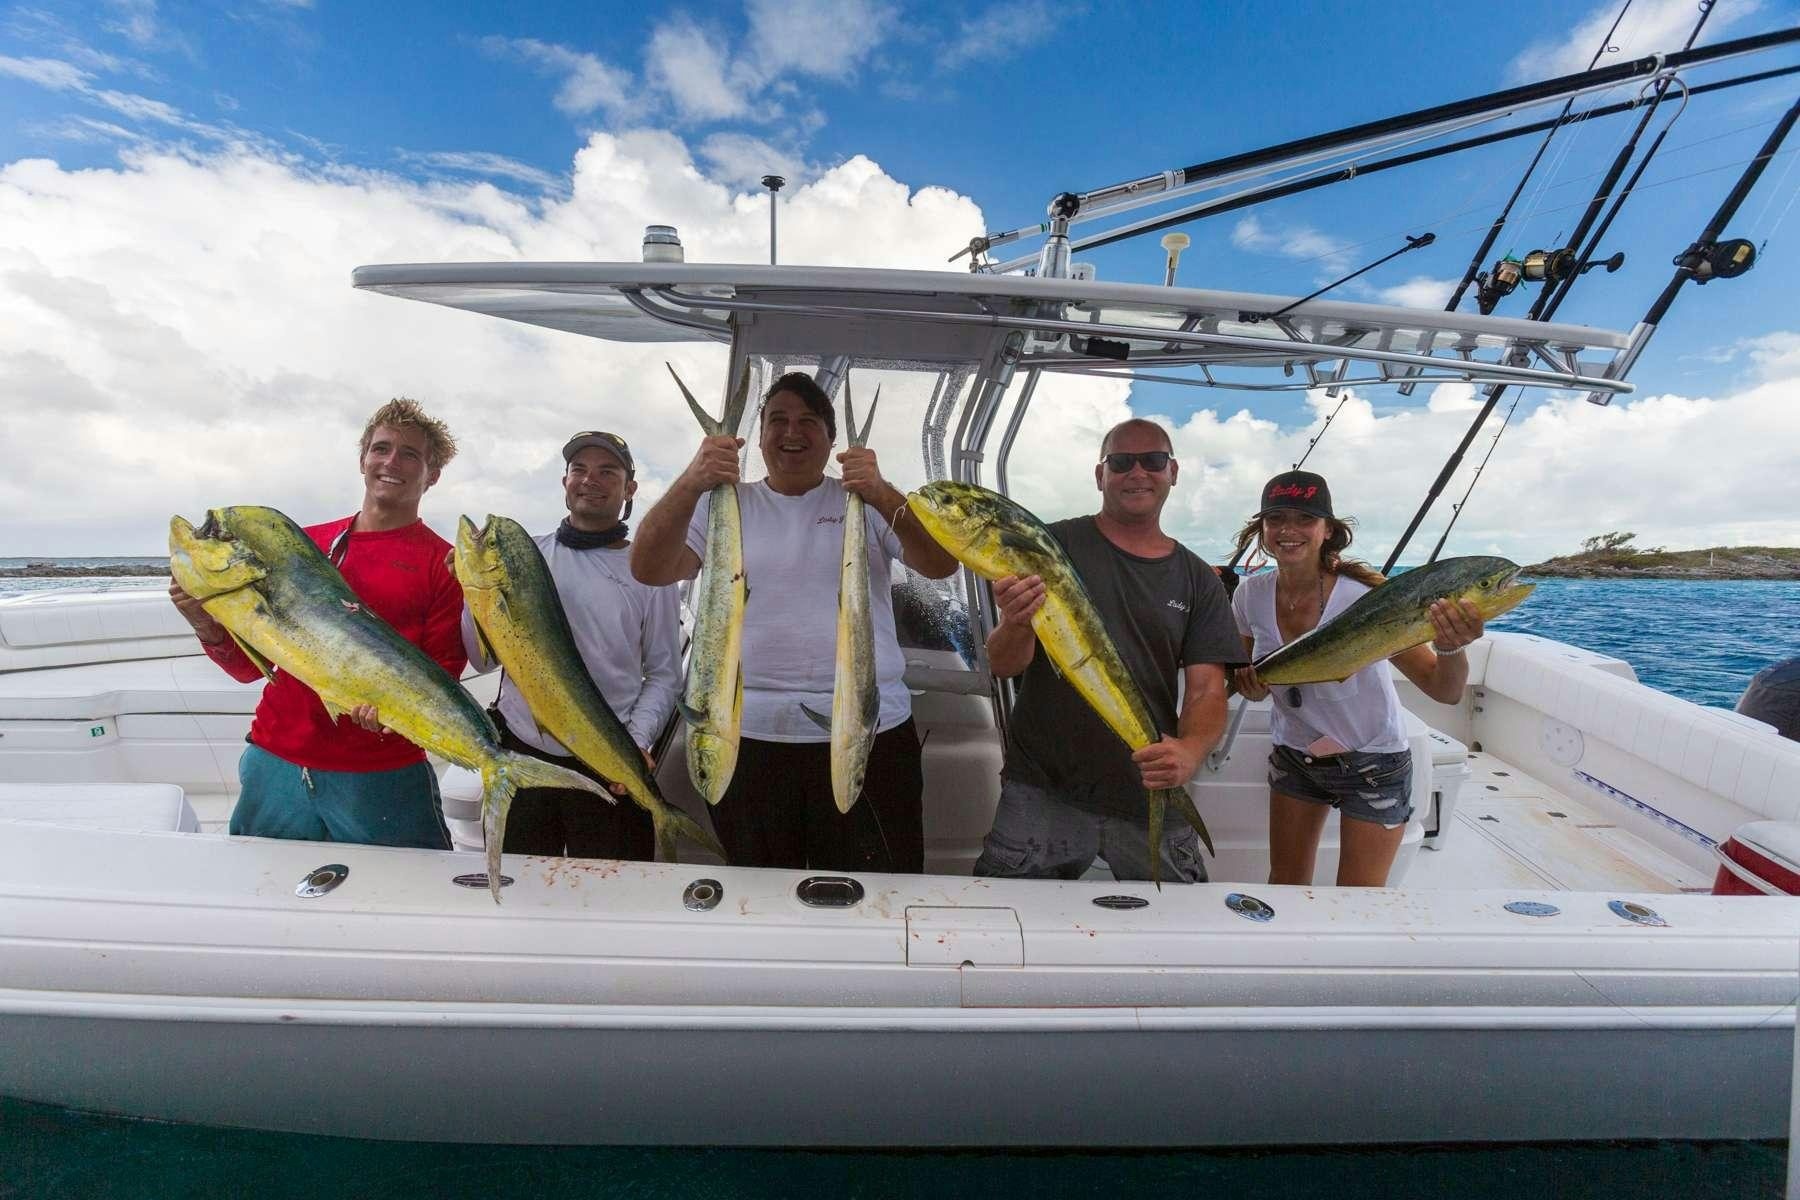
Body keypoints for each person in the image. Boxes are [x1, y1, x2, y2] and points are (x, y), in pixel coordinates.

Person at [630, 370, 959, 872]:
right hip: (743, 735)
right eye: (777, 420)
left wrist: (882, 491)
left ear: (830, 438)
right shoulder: (724, 503)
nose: (791, 432)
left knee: (878, 886)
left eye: (808, 421)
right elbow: (648, 568)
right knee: (761, 889)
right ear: (759, 436)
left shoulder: (867, 503)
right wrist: (693, 480)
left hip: (867, 729)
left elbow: (940, 563)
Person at [168, 398, 467, 848]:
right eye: (381, 448)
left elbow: (441, 678)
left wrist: (391, 719)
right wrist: (204, 623)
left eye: (410, 454)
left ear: (433, 474)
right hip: (276, 759)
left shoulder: (442, 565)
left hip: (378, 771)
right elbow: (249, 668)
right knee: (263, 883)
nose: (391, 462)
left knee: (407, 889)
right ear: (363, 460)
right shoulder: (302, 547)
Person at [976, 419, 1242, 883]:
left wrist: (1190, 750)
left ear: (1173, 471)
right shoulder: (1046, 546)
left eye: (1153, 460)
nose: (1137, 472)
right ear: (1101, 475)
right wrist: (1015, 620)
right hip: (1043, 789)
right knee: (1005, 919)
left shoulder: (1199, 579)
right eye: (1121, 462)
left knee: (1182, 918)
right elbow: (1003, 663)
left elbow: (1206, 691)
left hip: (1147, 786)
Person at [1228, 470, 1484, 887]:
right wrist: (1249, 687)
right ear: (1262, 529)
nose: (1288, 530)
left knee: (1359, 897)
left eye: (1305, 519)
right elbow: (1247, 680)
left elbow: (1445, 690)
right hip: (1296, 756)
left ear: (1328, 530)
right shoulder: (1249, 595)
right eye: (1276, 519)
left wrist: (1451, 647)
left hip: (1374, 763)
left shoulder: (1364, 597)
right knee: (1285, 885)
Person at [461, 430, 681, 860]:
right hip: (524, 756)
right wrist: (473, 593)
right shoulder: (527, 556)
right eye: (579, 469)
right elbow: (482, 662)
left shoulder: (650, 570)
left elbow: (664, 675)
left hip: (608, 759)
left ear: (630, 489)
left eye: (607, 471)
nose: (590, 479)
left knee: (611, 891)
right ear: (565, 482)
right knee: (523, 887)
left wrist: (636, 743)